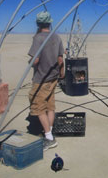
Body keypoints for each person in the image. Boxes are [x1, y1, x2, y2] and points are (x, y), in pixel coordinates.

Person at [28, 11, 64, 150]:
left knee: (38, 106)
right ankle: (48, 130)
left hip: (41, 79)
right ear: (50, 23)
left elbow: (35, 60)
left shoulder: (38, 38)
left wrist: (30, 61)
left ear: (38, 24)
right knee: (50, 105)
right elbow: (60, 59)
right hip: (53, 77)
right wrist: (61, 73)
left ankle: (49, 137)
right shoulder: (56, 37)